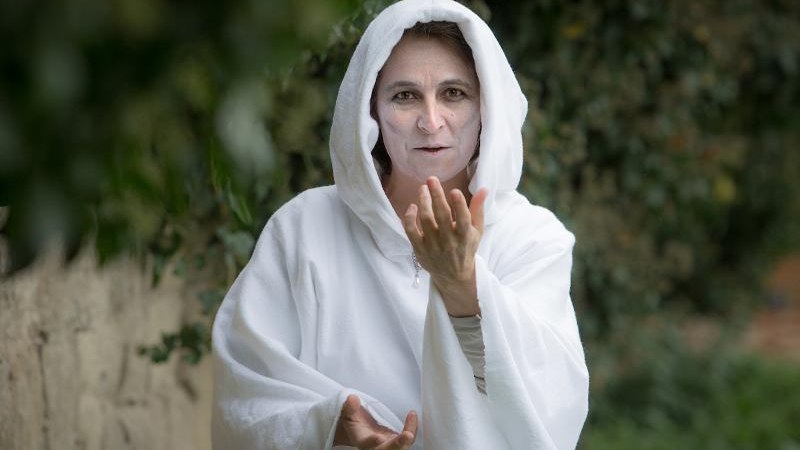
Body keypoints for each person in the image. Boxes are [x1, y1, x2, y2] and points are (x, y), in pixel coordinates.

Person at [211, 0, 589, 449]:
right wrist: (331, 427)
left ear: (487, 106)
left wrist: (462, 284)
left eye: (454, 94)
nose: (431, 123)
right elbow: (247, 393)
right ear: (369, 113)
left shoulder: (529, 239)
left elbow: (550, 405)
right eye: (404, 96)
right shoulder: (304, 230)